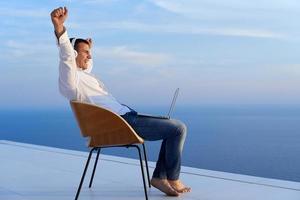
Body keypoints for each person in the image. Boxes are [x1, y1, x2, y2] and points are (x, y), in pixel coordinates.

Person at [51, 7, 191, 196]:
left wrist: (87, 48)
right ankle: (171, 177)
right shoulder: (71, 81)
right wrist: (60, 28)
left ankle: (160, 176)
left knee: (170, 125)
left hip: (125, 117)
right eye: (85, 52)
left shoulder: (84, 75)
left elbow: (86, 63)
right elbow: (67, 55)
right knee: (178, 128)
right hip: (120, 123)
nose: (89, 56)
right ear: (74, 54)